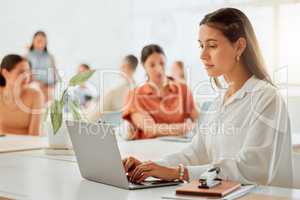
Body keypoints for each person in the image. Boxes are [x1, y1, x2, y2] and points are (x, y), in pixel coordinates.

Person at [123, 8, 293, 188]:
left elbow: (252, 169)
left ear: (239, 46)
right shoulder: (221, 99)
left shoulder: (266, 97)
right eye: (201, 46)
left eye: (212, 46)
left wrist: (179, 172)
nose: (203, 55)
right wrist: (149, 166)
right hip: (223, 194)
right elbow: (196, 152)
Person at [122, 45, 198, 140]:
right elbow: (150, 129)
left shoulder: (183, 89)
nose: (158, 69)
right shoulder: (134, 95)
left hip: (181, 148)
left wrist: (191, 127)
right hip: (148, 149)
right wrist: (184, 127)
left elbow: (198, 122)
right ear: (144, 67)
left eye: (161, 63)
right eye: (152, 65)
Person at [0, 54, 43, 135]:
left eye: (27, 72)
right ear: (5, 73)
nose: (26, 77)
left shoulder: (36, 95)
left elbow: (34, 135)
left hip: (26, 146)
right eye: (21, 72)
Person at [87, 55, 138, 122]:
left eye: (122, 66)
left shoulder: (114, 91)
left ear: (126, 66)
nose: (120, 69)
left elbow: (95, 115)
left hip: (107, 125)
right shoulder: (138, 90)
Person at [27, 31, 56, 104]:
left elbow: (54, 75)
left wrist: (50, 86)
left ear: (46, 43)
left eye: (42, 41)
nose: (40, 43)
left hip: (48, 87)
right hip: (33, 85)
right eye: (38, 40)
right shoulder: (27, 56)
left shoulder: (50, 57)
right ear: (33, 41)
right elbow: (25, 75)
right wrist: (37, 83)